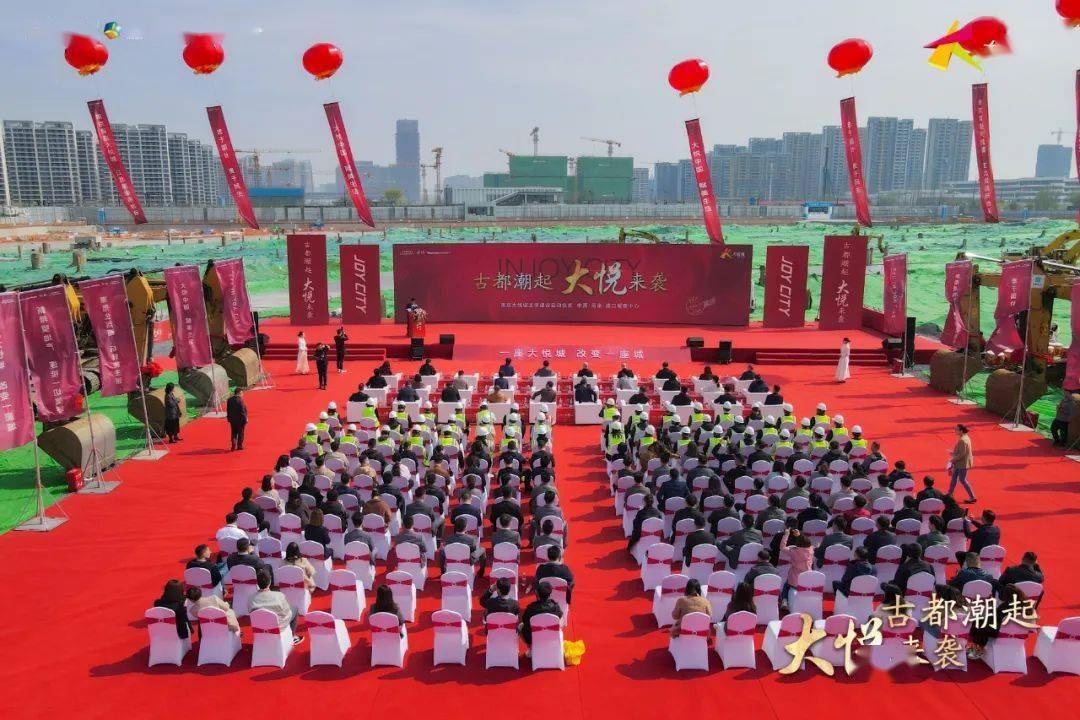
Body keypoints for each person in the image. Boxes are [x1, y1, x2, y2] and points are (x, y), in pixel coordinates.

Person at [249, 568, 303, 644]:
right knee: (295, 609)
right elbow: (286, 613)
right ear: (270, 582)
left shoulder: (251, 598)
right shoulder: (279, 596)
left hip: (260, 627)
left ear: (257, 583)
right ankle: (291, 637)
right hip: (278, 627)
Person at [520, 581, 563, 653]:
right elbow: (560, 616)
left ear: (537, 593)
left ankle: (531, 649)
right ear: (550, 594)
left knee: (520, 626)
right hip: (551, 636)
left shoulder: (530, 608)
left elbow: (524, 620)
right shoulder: (556, 607)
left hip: (533, 638)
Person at [778, 529, 814, 606]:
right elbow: (806, 543)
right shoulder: (811, 550)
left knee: (786, 585)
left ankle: (784, 601)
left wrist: (786, 534)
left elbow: (782, 547)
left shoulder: (794, 552)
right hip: (807, 579)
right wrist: (799, 535)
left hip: (794, 582)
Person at [948, 424, 976, 503]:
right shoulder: (965, 437)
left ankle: (972, 497)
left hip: (962, 463)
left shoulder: (962, 440)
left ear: (961, 431)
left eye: (956, 429)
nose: (955, 431)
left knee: (962, 480)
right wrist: (954, 453)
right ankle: (950, 493)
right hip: (961, 462)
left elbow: (962, 454)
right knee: (954, 478)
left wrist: (952, 459)